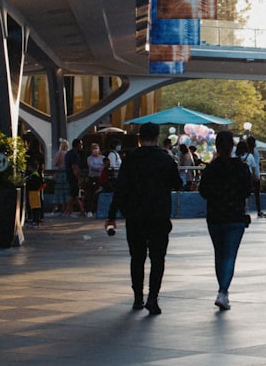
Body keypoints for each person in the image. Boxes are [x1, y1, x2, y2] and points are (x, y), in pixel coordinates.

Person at [105, 122, 182, 315]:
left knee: (137, 258)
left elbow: (120, 189)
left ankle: (137, 297)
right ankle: (153, 297)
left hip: (135, 216)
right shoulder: (166, 160)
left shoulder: (130, 159)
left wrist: (112, 216)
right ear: (157, 137)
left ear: (139, 138)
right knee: (158, 259)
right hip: (159, 216)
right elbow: (178, 184)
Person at [199, 130, 253, 311]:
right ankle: (223, 291)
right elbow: (247, 190)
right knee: (230, 256)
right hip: (235, 216)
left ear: (216, 146)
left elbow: (203, 191)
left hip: (215, 216)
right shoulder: (241, 167)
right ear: (232, 146)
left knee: (219, 254)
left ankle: (222, 290)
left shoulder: (211, 168)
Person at [61, 138, 84, 218]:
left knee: (74, 194)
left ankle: (78, 210)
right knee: (72, 194)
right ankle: (68, 211)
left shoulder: (68, 154)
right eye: (81, 144)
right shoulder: (74, 155)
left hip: (69, 175)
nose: (82, 146)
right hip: (73, 176)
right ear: (78, 145)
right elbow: (74, 167)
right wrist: (79, 178)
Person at [85, 143, 106, 218]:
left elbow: (105, 165)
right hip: (93, 177)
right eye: (94, 149)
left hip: (101, 178)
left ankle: (97, 209)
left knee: (99, 193)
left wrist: (100, 167)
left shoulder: (102, 157)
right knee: (91, 194)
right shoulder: (89, 158)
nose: (95, 150)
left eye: (96, 148)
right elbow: (92, 166)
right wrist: (100, 167)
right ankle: (89, 210)